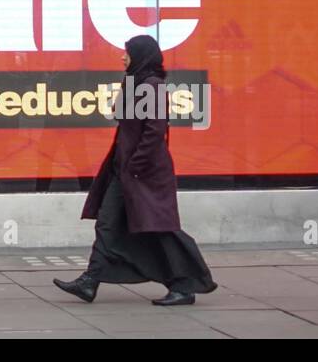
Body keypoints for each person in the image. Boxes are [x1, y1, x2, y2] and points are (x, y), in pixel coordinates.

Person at [55, 34, 217, 306]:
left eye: (127, 53)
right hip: (125, 172)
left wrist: (136, 165)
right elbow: (120, 114)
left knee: (160, 229)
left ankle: (184, 284)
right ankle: (89, 281)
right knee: (108, 222)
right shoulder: (137, 82)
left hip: (145, 174)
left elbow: (154, 132)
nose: (122, 57)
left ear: (140, 56)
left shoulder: (152, 86)